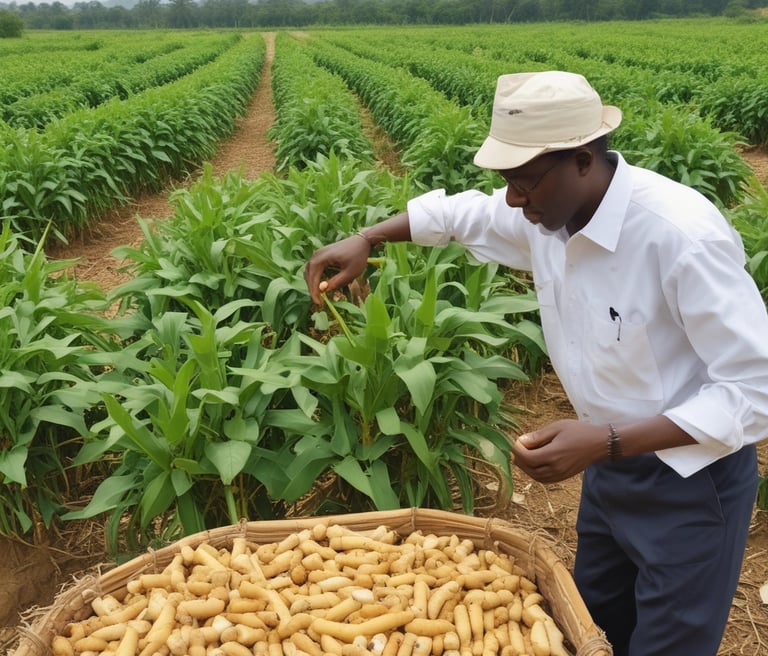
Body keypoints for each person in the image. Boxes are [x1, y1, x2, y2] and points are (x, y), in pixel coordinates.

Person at [304, 70, 768, 656]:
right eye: (507, 183)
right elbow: (464, 216)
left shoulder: (680, 237)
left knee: (668, 642)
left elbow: (756, 389)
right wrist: (368, 238)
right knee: (590, 625)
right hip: (606, 467)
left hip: (691, 480)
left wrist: (606, 440)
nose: (514, 201)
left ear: (581, 159)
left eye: (523, 183)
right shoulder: (550, 214)